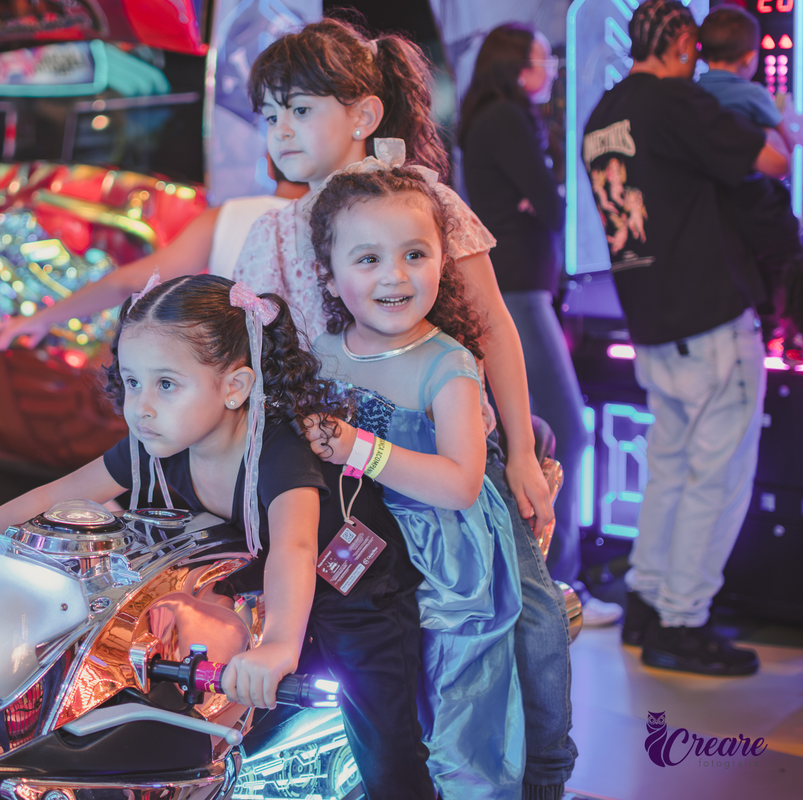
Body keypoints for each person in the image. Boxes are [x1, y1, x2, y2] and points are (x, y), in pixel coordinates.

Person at [235, 21, 575, 800]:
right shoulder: (275, 232)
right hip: (340, 474)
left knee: (526, 624)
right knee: (381, 663)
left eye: (299, 110)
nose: (281, 131)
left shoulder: (428, 200)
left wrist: (523, 454)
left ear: (362, 114)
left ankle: (543, 773)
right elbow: (260, 371)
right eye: (270, 115)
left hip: (448, 445)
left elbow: (493, 328)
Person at [0, 274, 435, 799]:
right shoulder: (159, 440)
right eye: (132, 381)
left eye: (166, 385)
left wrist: (279, 645)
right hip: (260, 592)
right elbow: (55, 494)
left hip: (357, 597)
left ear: (234, 387)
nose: (141, 406)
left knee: (386, 749)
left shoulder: (279, 450)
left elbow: (295, 547)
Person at [303, 162, 524, 799]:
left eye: (415, 254)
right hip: (360, 556)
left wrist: (357, 447)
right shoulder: (323, 353)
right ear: (329, 273)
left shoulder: (448, 363)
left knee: (453, 718)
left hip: (445, 563)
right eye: (368, 258)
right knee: (377, 712)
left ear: (442, 262)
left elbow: (460, 484)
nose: (395, 276)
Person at [584, 0, 788, 676]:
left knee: (670, 468)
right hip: (710, 316)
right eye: (693, 46)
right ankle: (683, 619)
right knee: (716, 479)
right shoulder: (675, 103)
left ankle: (646, 602)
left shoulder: (602, 115)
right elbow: (772, 160)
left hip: (651, 319)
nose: (697, 58)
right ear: (676, 42)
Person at [459, 24, 623, 628]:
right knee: (564, 436)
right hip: (519, 295)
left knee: (541, 437)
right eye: (541, 59)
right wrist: (542, 198)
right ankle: (558, 584)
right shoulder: (506, 119)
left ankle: (546, 582)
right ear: (516, 67)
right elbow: (552, 205)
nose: (552, 68)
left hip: (522, 291)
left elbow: (542, 203)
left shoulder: (492, 118)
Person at [0, 164, 306, 349]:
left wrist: (40, 318)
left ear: (268, 165)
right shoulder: (328, 220)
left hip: (244, 388)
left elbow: (127, 281)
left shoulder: (230, 215)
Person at [696, 5, 803, 356]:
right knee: (787, 256)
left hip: (713, 202)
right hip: (754, 197)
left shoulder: (693, 93)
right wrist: (788, 118)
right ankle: (789, 331)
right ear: (750, 57)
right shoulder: (754, 93)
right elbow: (786, 148)